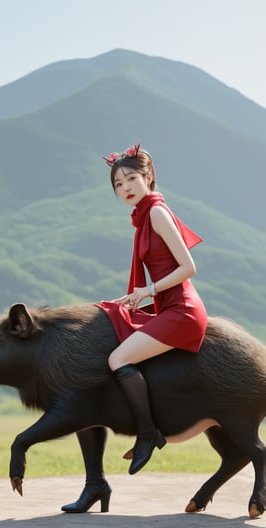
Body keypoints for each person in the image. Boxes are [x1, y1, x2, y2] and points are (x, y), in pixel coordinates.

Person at [98, 143, 207, 475]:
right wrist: (135, 297)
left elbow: (188, 267)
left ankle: (149, 434)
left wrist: (148, 290)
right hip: (168, 305)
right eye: (118, 184)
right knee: (112, 315)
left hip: (183, 311)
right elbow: (161, 276)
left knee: (118, 359)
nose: (126, 187)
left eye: (131, 178)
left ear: (148, 177)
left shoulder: (156, 213)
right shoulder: (143, 217)